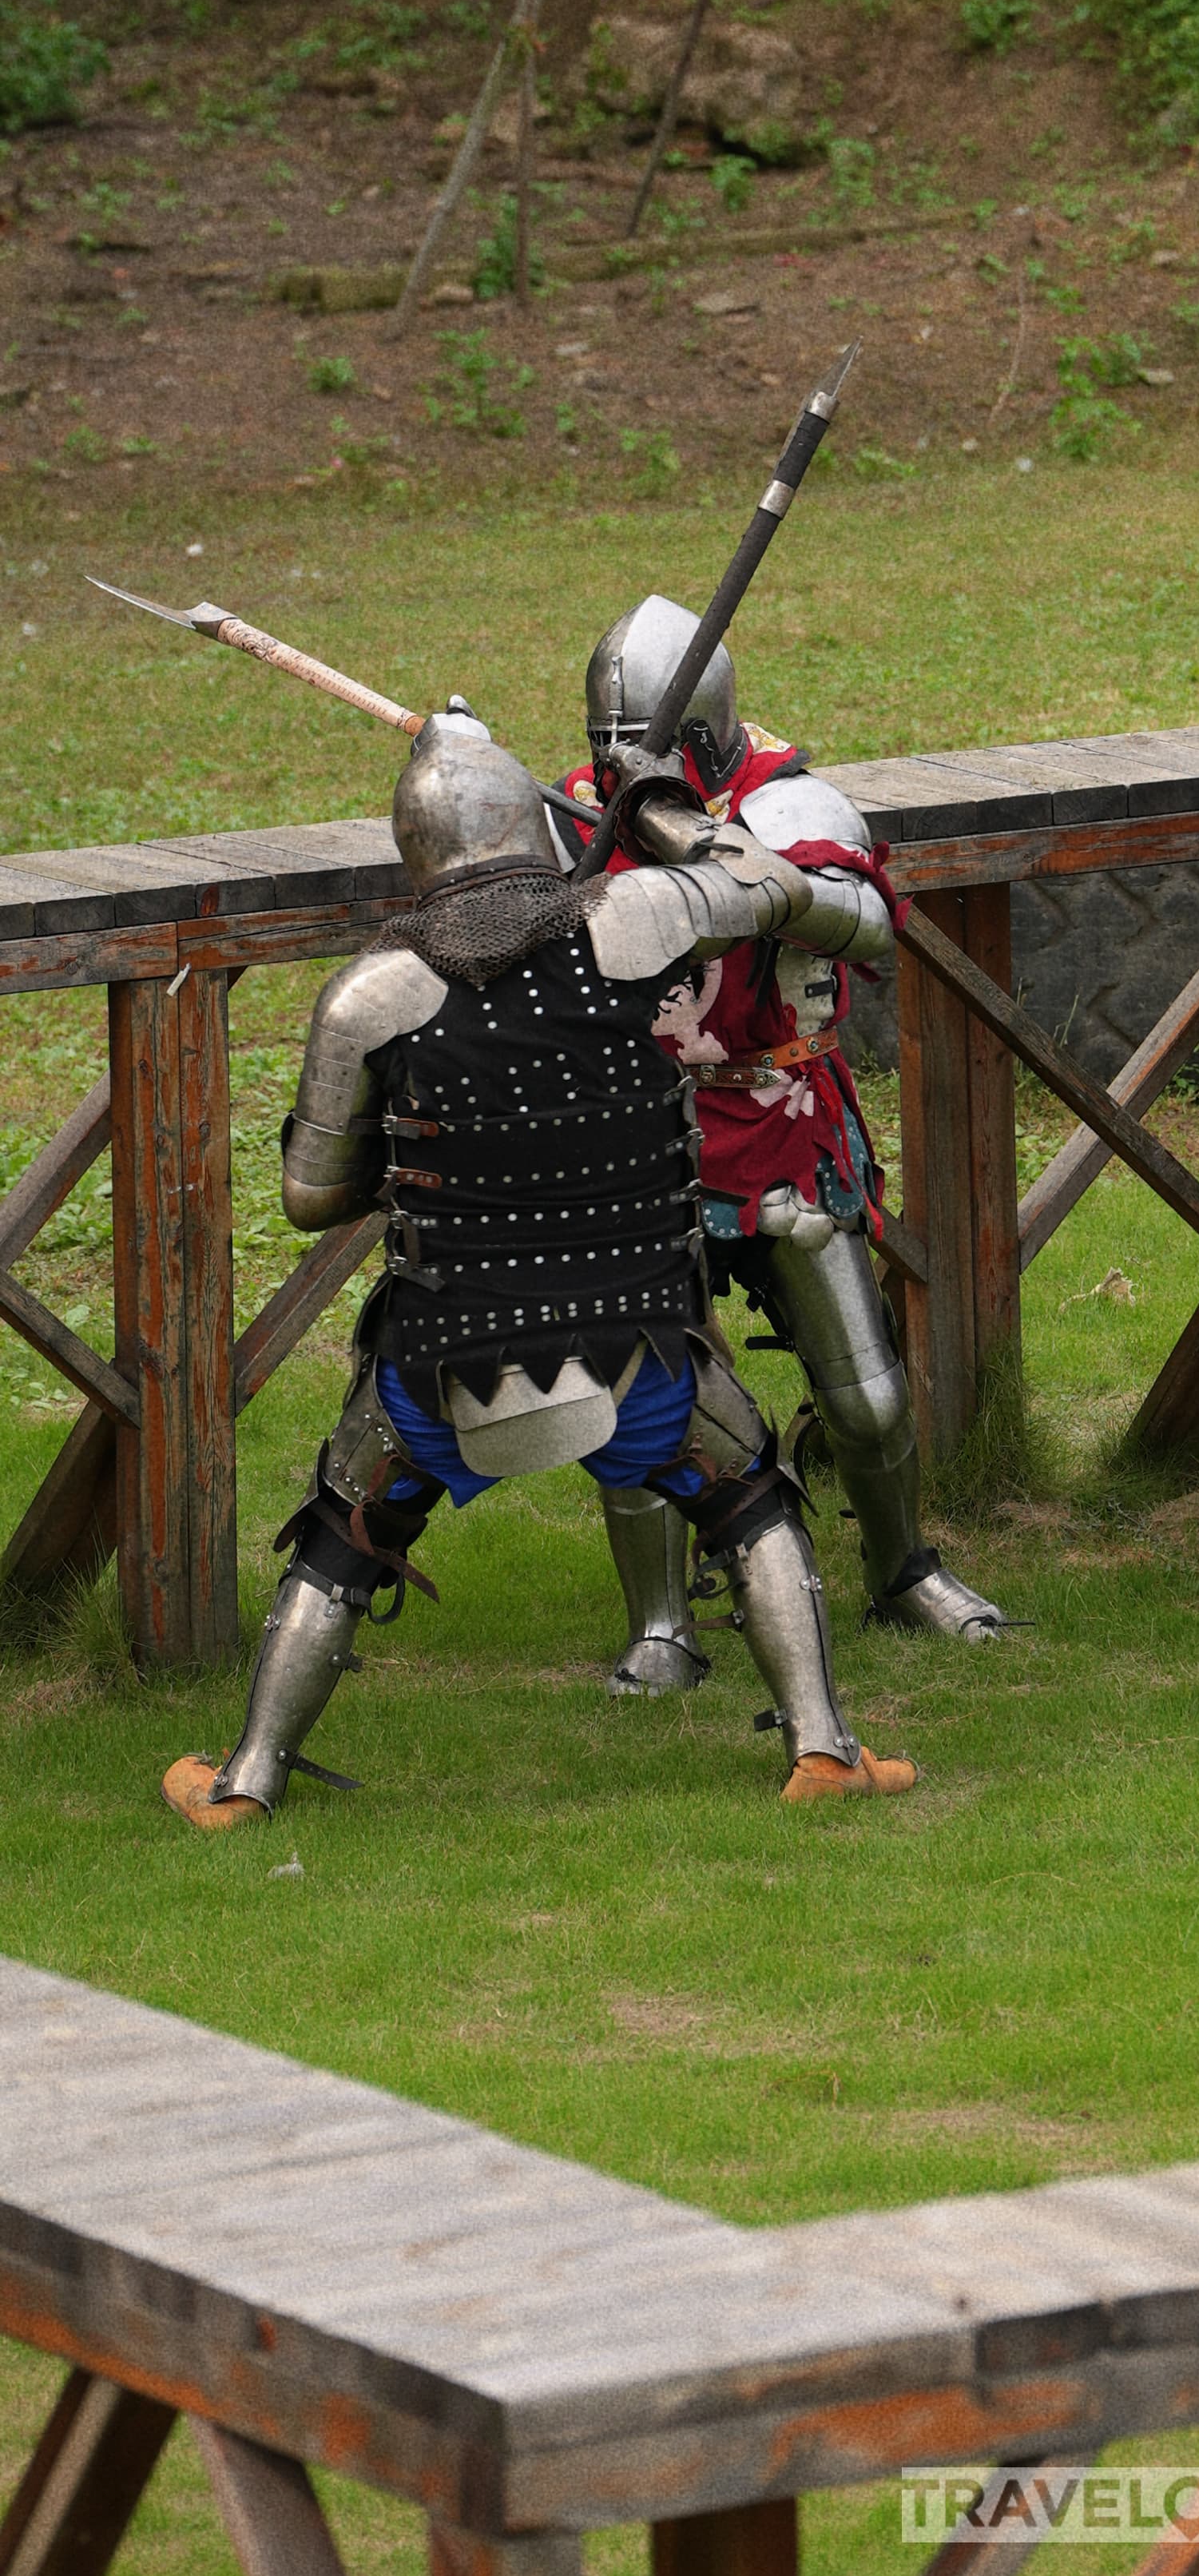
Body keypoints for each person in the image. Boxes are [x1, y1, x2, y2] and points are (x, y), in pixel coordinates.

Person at [162, 706, 915, 1830]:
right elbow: (762, 884)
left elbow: (311, 1198)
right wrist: (662, 807)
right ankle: (823, 1750)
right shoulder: (640, 917)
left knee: (343, 1539)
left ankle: (248, 1781)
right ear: (533, 826)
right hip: (637, 1344)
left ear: (413, 852)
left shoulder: (371, 995)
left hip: (446, 1351)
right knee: (752, 1499)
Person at [562, 598, 1002, 1688]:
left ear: (703, 731)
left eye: (641, 746)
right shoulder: (574, 814)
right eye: (607, 746)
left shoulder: (791, 804)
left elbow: (865, 924)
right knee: (638, 1394)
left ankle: (902, 1571)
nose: (618, 766)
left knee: (868, 1397)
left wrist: (701, 852)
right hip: (639, 1127)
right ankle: (662, 1624)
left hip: (781, 1117)